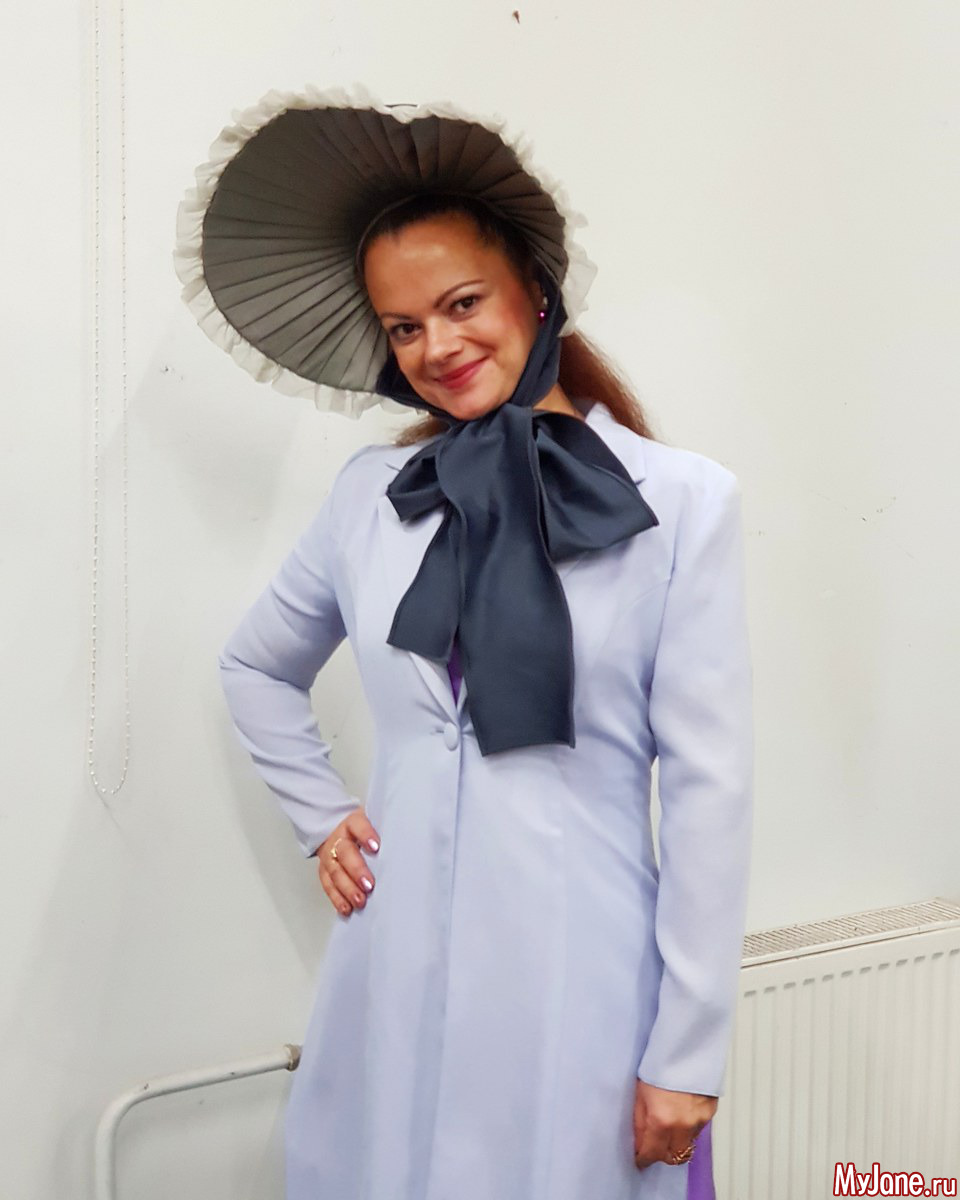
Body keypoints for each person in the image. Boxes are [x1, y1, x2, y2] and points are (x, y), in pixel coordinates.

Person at [175, 88, 753, 1200]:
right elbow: (254, 665)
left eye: (462, 302)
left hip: (580, 981)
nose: (437, 346)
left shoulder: (682, 504)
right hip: (392, 973)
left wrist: (688, 1052)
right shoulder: (370, 496)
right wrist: (321, 814)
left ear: (535, 289)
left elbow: (709, 795)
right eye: (404, 327)